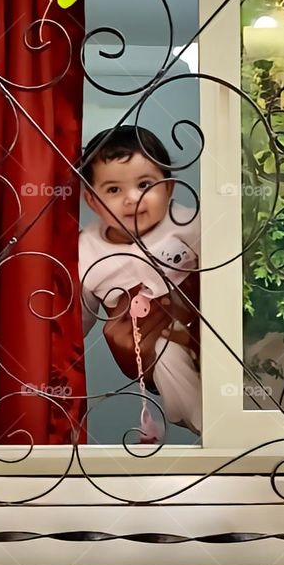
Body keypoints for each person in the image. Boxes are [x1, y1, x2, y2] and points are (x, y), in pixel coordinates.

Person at [78, 125, 202, 436]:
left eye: (145, 184)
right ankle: (204, 422)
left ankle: (236, 411)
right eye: (114, 190)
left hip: (201, 319)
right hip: (154, 336)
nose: (133, 199)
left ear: (169, 189)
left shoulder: (188, 223)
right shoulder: (86, 252)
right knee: (168, 358)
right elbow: (73, 322)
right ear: (92, 201)